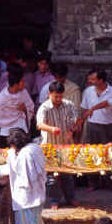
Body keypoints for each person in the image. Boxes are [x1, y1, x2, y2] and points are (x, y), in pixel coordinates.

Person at [0, 128, 47, 224]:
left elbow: (24, 174)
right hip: (29, 191)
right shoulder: (29, 150)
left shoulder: (27, 153)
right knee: (31, 220)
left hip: (27, 191)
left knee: (29, 222)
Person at [37, 81, 83, 209]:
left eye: (60, 96)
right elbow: (39, 125)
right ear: (49, 94)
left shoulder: (69, 105)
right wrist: (51, 129)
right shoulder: (44, 107)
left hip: (66, 145)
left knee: (67, 173)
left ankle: (71, 198)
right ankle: (54, 200)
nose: (58, 99)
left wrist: (73, 129)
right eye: (55, 96)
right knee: (52, 176)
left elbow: (77, 120)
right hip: (50, 146)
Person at [82, 70, 112, 189]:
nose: (90, 81)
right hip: (92, 126)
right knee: (92, 154)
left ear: (101, 80)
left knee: (111, 155)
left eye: (93, 79)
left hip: (108, 126)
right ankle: (92, 182)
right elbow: (84, 109)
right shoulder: (88, 91)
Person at [0, 70, 34, 146]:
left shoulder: (24, 92)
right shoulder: (0, 99)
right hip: (6, 132)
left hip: (21, 130)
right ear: (16, 84)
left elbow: (31, 108)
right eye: (22, 81)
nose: (25, 84)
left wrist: (24, 109)